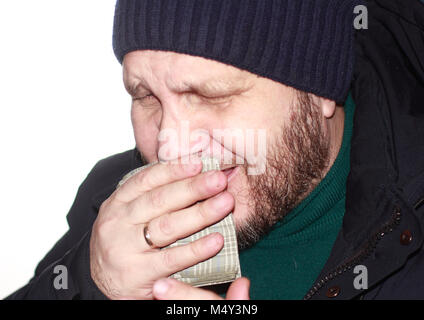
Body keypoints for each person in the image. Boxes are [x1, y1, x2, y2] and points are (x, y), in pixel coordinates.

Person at [6, 0, 424, 300]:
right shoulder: (115, 207)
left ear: (320, 92)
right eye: (145, 96)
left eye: (209, 95)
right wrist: (92, 284)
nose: (172, 144)